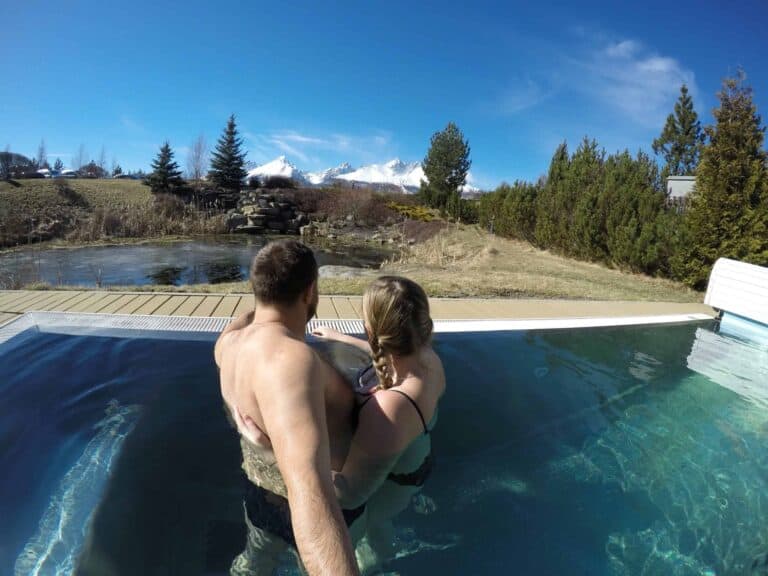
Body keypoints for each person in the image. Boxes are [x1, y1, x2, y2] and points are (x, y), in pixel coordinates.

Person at [215, 239, 360, 576]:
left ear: (259, 291)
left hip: (258, 494)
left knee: (256, 563)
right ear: (310, 292)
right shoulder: (292, 360)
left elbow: (237, 323)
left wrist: (254, 310)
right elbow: (310, 491)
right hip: (312, 514)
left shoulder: (227, 346)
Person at [312, 275, 445, 571]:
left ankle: (377, 564)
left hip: (394, 486)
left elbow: (349, 495)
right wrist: (341, 337)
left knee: (357, 550)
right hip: (411, 467)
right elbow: (388, 349)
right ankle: (386, 551)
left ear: (371, 329)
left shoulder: (390, 408)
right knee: (380, 527)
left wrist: (281, 450)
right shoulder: (429, 359)